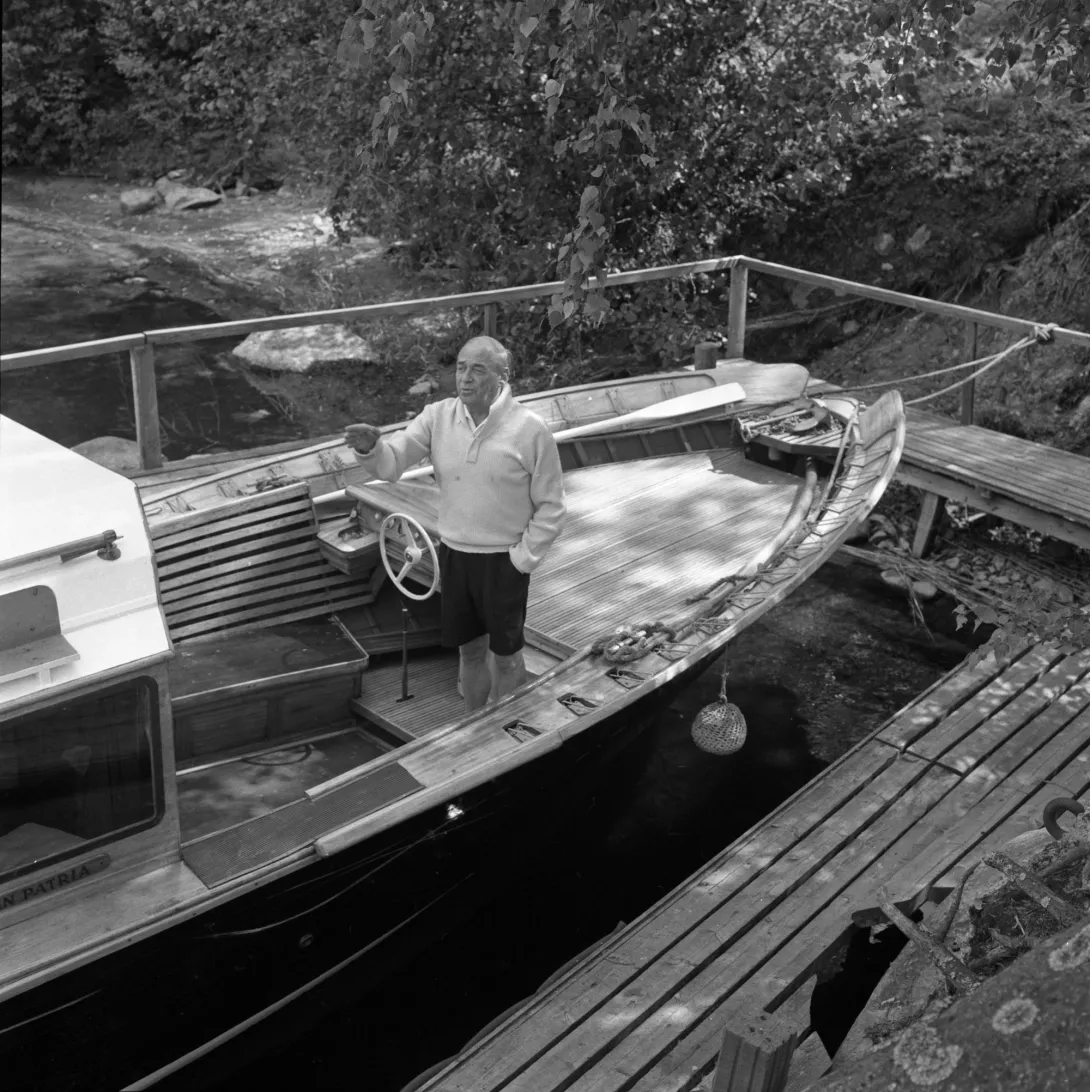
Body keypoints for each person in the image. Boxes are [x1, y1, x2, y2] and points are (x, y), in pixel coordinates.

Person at [344, 336, 566, 714]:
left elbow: (552, 506)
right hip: (454, 557)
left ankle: (507, 729)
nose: (465, 377)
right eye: (461, 368)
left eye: (477, 369)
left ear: (502, 377)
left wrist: (523, 559)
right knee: (470, 651)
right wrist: (371, 449)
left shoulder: (531, 429)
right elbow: (391, 464)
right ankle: (474, 724)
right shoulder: (437, 417)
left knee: (507, 658)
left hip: (504, 562)